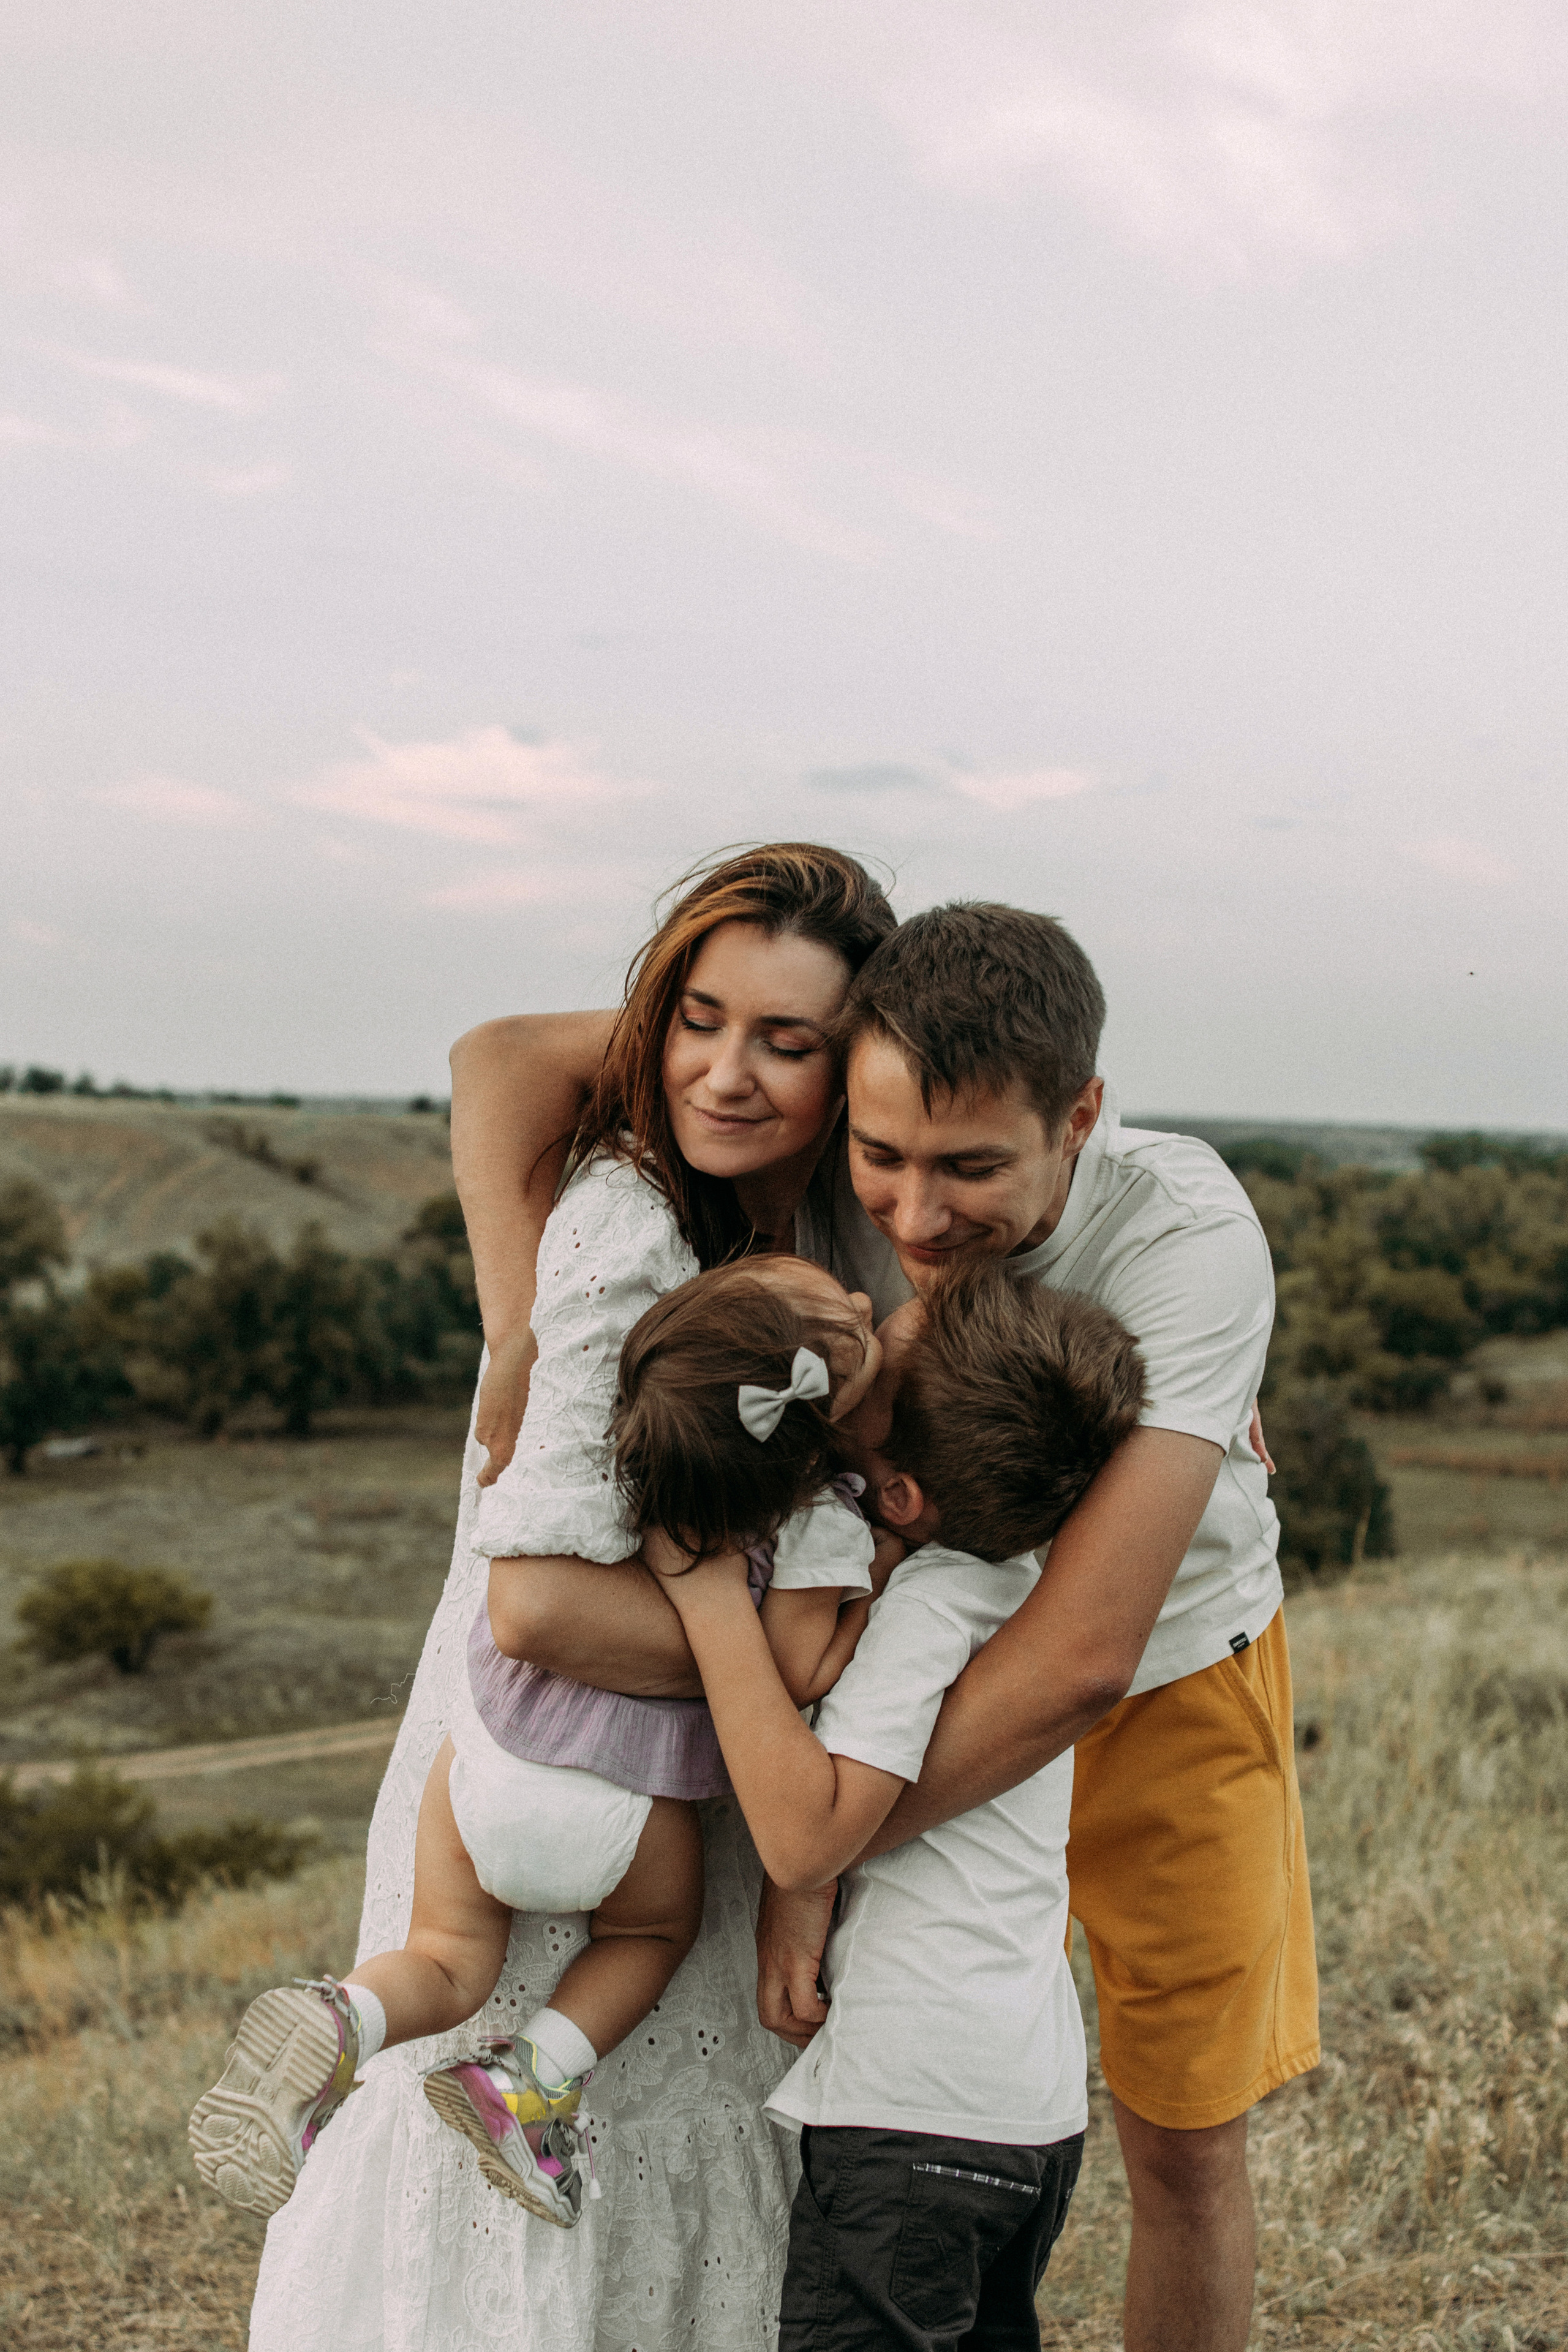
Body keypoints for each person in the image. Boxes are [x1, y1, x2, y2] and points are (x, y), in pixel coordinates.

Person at [461, 896, 1317, 2352]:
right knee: (886, 2124)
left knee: (1178, 2136)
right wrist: (515, 1330)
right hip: (887, 1683)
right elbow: (503, 1064)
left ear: (1079, 1114)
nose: (913, 1220)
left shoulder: (1186, 1239)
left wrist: (824, 1845)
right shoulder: (849, 1083)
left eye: (973, 1169)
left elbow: (1078, 1654)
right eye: (881, 1162)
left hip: (1161, 1683)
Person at [246, 842, 901, 2352]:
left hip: (653, 1784)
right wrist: (515, 1320)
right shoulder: (627, 1219)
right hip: (548, 1736)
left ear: (854, 1059)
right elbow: (537, 1608)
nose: (724, 1073)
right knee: (491, 2134)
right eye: (699, 1018)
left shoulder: (809, 1242)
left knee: (639, 2131)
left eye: (784, 1042)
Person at [192, 1254, 883, 2231]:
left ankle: (346, 2017)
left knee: (443, 1957)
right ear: (815, 1423)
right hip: (625, 1805)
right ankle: (529, 2077)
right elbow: (798, 1669)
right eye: (847, 1321)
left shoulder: (637, 1447)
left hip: (490, 1752)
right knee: (650, 1935)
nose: (864, 1306)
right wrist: (867, 1611)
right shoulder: (817, 1518)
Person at [651, 1261, 1146, 2351]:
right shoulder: (1028, 1587)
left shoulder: (930, 1607)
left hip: (910, 2110)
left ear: (904, 1496)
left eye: (865, 1413)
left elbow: (802, 1830)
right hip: (1031, 2109)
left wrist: (705, 1599)